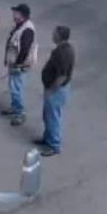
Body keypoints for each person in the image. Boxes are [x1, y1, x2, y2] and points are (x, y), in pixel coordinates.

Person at [36, 25, 75, 156]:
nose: (52, 35)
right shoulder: (65, 49)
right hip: (55, 88)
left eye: (54, 33)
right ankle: (48, 138)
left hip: (56, 90)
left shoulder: (62, 53)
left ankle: (54, 145)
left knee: (53, 117)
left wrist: (52, 89)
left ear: (59, 36)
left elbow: (62, 75)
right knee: (48, 115)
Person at [2, 3, 38, 126]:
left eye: (15, 12)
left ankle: (20, 113)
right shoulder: (19, 26)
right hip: (14, 64)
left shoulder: (27, 30)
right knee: (13, 88)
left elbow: (24, 50)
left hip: (19, 66)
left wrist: (17, 65)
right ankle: (14, 108)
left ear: (21, 15)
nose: (13, 14)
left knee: (17, 89)